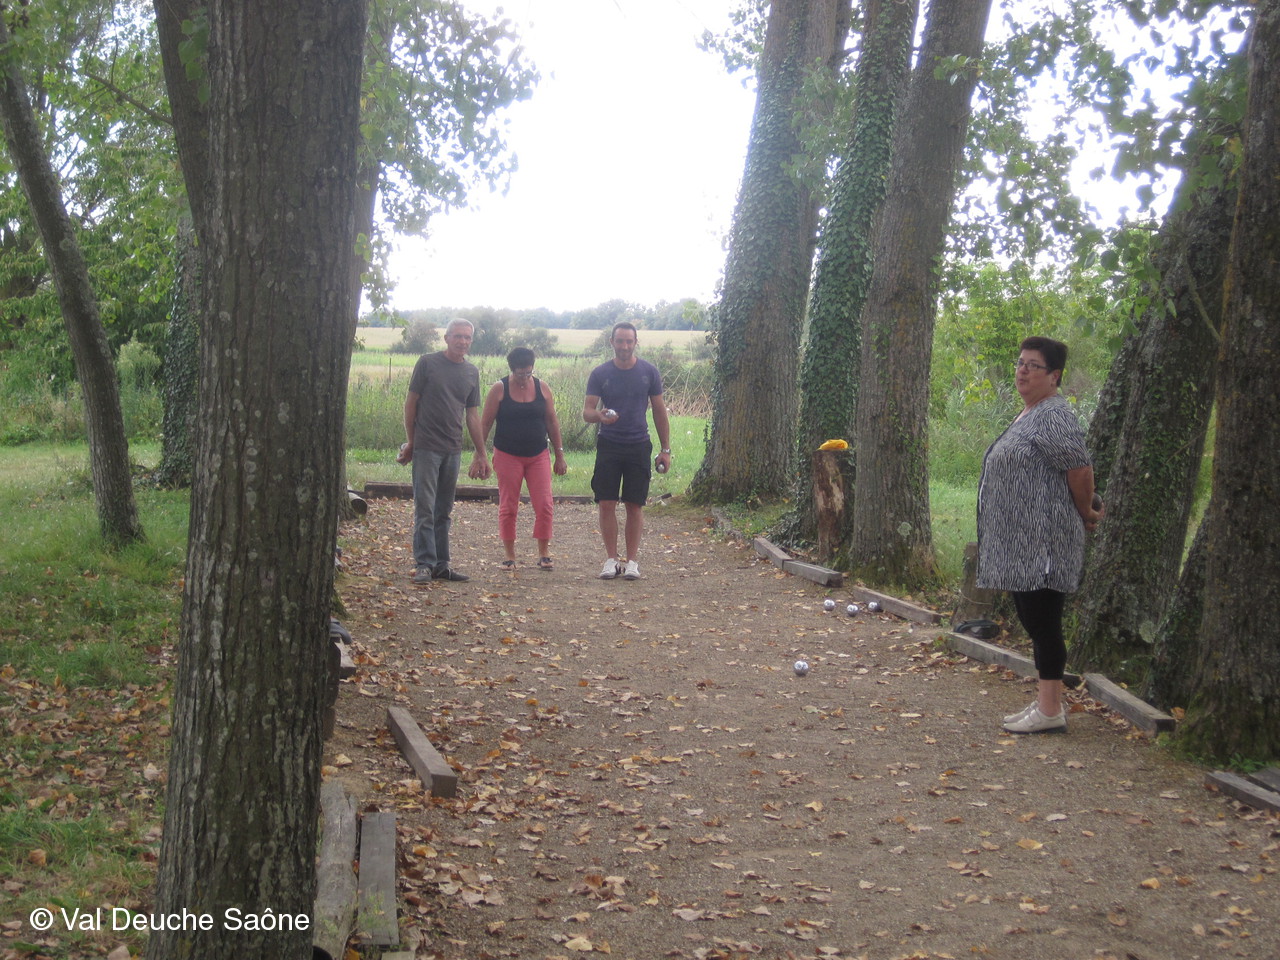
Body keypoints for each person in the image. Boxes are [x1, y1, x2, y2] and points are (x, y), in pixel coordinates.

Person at [976, 335, 1104, 734]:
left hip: (1044, 544)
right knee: (1035, 621)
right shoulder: (1029, 414)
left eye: (1034, 365)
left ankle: (1050, 710)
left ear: (1054, 376)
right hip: (1022, 545)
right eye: (1020, 363)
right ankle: (1046, 704)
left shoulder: (1052, 414)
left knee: (1043, 623)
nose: (1023, 371)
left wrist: (1086, 511)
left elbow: (1079, 468)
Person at [397, 319, 491, 584]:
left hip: (453, 448)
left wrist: (481, 453)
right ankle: (424, 564)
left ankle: (441, 564)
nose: (462, 341)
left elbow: (472, 415)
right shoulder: (427, 363)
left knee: (444, 510)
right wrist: (411, 442)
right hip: (427, 446)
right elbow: (411, 404)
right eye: (458, 336)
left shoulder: (471, 372)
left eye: (467, 337)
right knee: (425, 508)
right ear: (446, 338)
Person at [582, 321, 671, 581]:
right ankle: (611, 560)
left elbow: (659, 411)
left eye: (629, 341)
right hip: (609, 445)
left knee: (634, 504)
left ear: (635, 342)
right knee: (606, 503)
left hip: (638, 445)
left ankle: (632, 562)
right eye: (620, 341)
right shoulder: (600, 373)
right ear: (612, 342)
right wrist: (599, 415)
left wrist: (665, 449)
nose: (624, 346)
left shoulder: (649, 372)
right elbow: (587, 412)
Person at [479, 347, 568, 570]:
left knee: (545, 505)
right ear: (512, 369)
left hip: (538, 454)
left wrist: (559, 454)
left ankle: (544, 553)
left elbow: (552, 422)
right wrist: (479, 454)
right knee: (509, 506)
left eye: (529, 372)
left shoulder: (542, 387)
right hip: (507, 454)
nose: (525, 377)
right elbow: (485, 423)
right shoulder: (499, 389)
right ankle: (509, 556)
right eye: (521, 373)